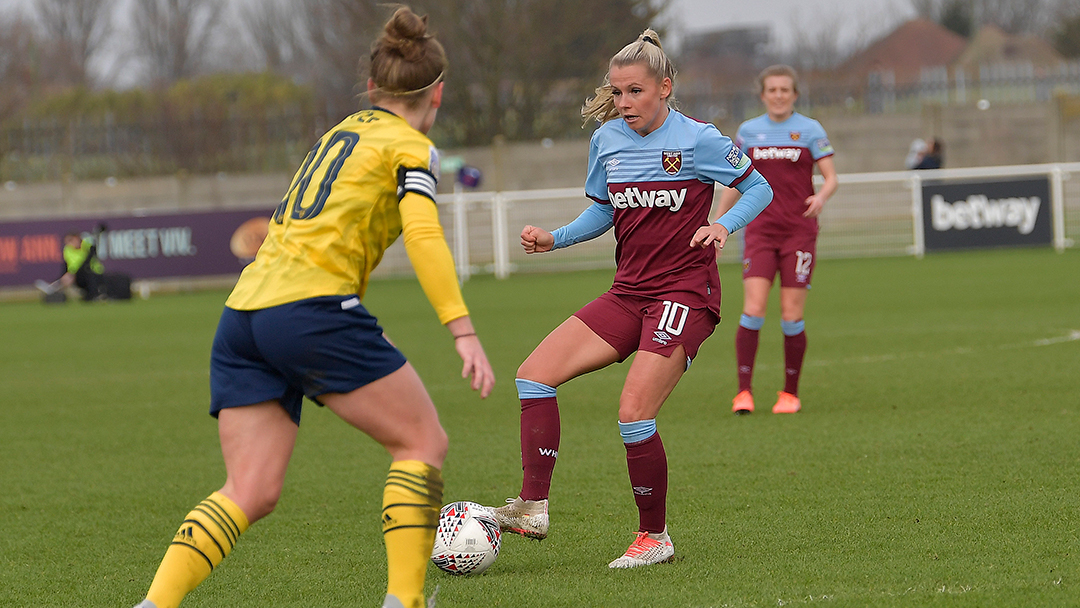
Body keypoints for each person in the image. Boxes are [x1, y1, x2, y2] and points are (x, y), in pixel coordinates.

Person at [131, 8, 495, 608]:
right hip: (310, 309)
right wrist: (462, 330)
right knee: (421, 442)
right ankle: (404, 602)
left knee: (250, 489)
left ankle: (154, 604)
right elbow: (424, 236)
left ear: (373, 88)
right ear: (440, 93)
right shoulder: (413, 148)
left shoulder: (344, 132)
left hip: (243, 315)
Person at [488, 30, 772, 569]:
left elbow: (760, 187)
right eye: (617, 93)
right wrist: (556, 237)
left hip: (686, 292)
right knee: (533, 374)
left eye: (635, 92)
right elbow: (603, 212)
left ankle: (654, 537)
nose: (623, 104)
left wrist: (723, 225)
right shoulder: (607, 141)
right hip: (629, 292)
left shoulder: (700, 138)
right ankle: (532, 505)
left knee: (633, 412)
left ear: (665, 87)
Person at [716, 64, 838, 415]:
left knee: (790, 316)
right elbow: (734, 181)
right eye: (773, 90)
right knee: (752, 310)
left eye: (786, 90)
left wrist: (821, 196)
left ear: (795, 95)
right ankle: (744, 393)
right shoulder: (749, 132)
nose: (779, 95)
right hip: (759, 232)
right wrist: (720, 223)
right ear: (763, 95)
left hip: (799, 232)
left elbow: (831, 178)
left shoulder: (810, 130)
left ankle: (790, 394)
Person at [60, 225, 106, 301]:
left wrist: (71, 274)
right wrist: (65, 276)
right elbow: (67, 265)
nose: (69, 243)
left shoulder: (87, 246)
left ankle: (95, 295)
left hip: (94, 273)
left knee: (89, 273)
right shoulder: (67, 250)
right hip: (78, 276)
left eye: (71, 240)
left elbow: (87, 260)